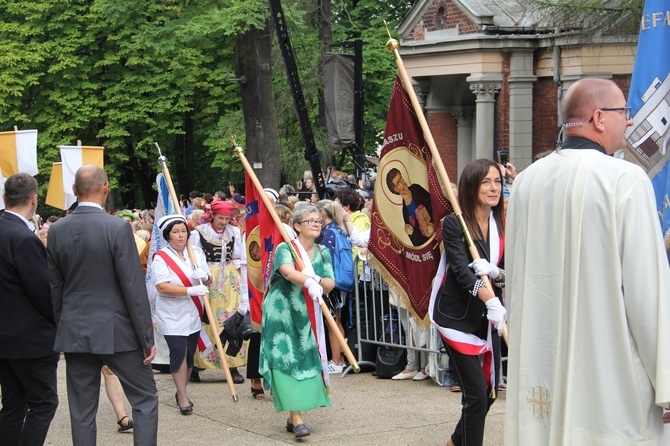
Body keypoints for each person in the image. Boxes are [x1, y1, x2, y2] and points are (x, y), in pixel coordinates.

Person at [505, 78, 670, 444]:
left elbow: (516, 283)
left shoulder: (526, 183)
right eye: (623, 112)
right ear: (599, 117)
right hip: (610, 384)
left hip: (540, 371)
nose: (628, 121)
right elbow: (648, 293)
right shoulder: (626, 180)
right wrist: (667, 383)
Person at [46, 165, 158, 446]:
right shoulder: (118, 227)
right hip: (118, 331)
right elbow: (133, 286)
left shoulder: (56, 230)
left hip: (76, 330)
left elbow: (55, 287)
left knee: (81, 411)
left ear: (74, 191)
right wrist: (146, 336)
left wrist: (64, 327)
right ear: (106, 188)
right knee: (144, 399)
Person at [434, 159, 506, 446]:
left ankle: (454, 441)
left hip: (489, 320)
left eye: (498, 181)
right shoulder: (455, 223)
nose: (493, 188)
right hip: (456, 318)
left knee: (488, 394)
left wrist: (497, 272)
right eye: (486, 181)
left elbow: (508, 271)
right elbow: (462, 271)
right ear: (471, 185)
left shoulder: (502, 223)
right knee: (476, 394)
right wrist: (488, 297)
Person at [259, 204, 335, 439]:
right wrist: (309, 280)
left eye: (318, 221)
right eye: (310, 220)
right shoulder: (286, 248)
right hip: (281, 311)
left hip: (307, 313)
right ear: (297, 226)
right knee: (285, 357)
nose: (316, 224)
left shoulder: (323, 252)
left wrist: (318, 280)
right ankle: (297, 417)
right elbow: (288, 272)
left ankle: (294, 415)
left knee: (305, 357)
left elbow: (331, 283)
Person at [0, 173, 59, 446]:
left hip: (6, 337)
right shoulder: (22, 238)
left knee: (13, 405)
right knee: (43, 404)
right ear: (34, 200)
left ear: (4, 197)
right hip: (29, 340)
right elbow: (43, 292)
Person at [153, 214, 212, 415]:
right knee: (178, 351)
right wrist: (189, 290)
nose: (181, 236)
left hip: (193, 312)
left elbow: (209, 280)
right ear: (168, 235)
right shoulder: (161, 256)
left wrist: (205, 277)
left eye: (183, 231)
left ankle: (182, 390)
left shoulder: (195, 252)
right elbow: (161, 286)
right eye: (176, 232)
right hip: (171, 313)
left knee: (188, 353)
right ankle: (183, 397)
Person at [190, 199, 247, 383]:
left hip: (229, 279)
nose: (223, 221)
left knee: (232, 320)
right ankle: (197, 365)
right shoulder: (199, 233)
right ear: (212, 215)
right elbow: (194, 258)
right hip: (208, 276)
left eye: (227, 218)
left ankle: (232, 366)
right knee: (207, 319)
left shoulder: (234, 232)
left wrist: (240, 281)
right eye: (220, 218)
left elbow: (238, 257)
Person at [315, 199, 348, 374]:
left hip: (331, 280)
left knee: (332, 321)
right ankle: (339, 358)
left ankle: (336, 360)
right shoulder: (338, 229)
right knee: (336, 319)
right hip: (338, 280)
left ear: (322, 213)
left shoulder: (328, 233)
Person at [385, 168, 434, 247]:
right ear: (396, 189)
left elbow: (432, 203)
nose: (403, 183)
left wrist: (432, 224)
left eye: (401, 178)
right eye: (398, 183)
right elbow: (416, 242)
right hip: (427, 245)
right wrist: (411, 232)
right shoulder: (405, 212)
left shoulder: (416, 189)